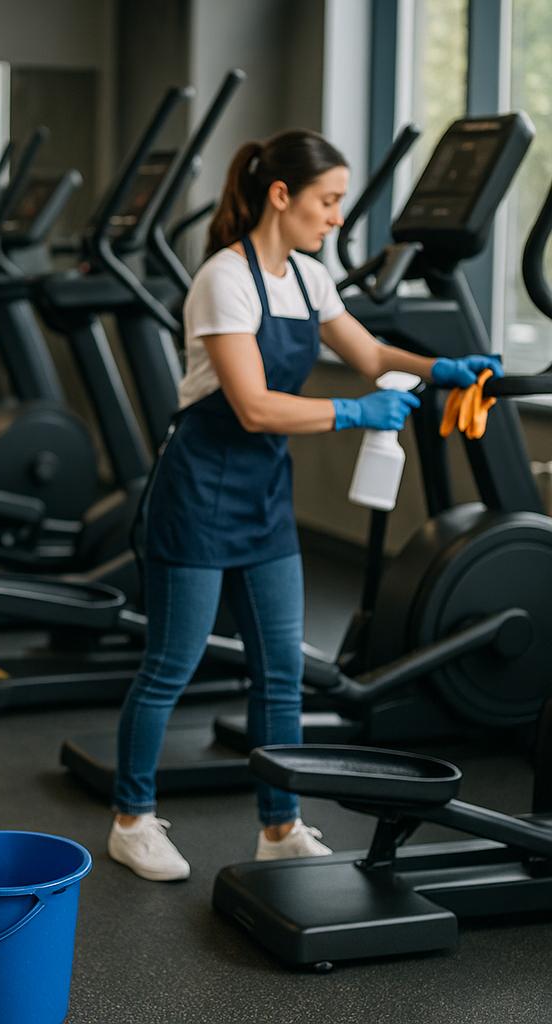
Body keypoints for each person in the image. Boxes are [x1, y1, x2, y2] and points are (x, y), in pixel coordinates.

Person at [106, 129, 503, 882]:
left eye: (341, 204)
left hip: (261, 498)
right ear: (280, 196)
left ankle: (280, 823)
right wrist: (353, 416)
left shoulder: (311, 279)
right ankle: (131, 818)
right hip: (199, 490)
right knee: (171, 665)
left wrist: (442, 368)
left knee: (280, 671)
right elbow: (253, 406)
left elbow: (372, 354)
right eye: (327, 201)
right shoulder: (223, 279)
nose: (335, 218)